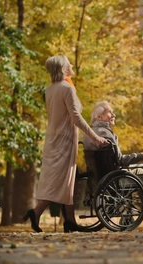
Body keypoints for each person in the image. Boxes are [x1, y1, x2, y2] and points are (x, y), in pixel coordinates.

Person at [23, 55, 107, 233]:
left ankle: (69, 220)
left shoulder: (50, 89)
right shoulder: (67, 89)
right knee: (61, 181)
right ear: (63, 68)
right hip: (64, 141)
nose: (70, 64)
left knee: (66, 181)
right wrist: (95, 137)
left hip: (52, 139)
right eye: (68, 62)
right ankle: (36, 212)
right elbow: (76, 117)